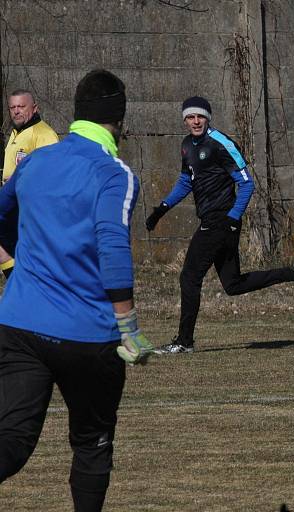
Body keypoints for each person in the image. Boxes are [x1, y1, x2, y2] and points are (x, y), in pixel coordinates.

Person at [0, 70, 152, 511]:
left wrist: (17, 260)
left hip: (19, 325)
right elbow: (112, 245)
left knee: (10, 439)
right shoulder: (115, 174)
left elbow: (2, 214)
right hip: (89, 335)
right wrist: (128, 326)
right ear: (119, 121)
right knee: (92, 443)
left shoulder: (36, 162)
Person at [145, 96, 294, 354]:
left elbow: (247, 182)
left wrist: (233, 216)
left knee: (190, 276)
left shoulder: (220, 143)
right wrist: (162, 209)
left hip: (221, 220)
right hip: (214, 221)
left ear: (208, 118)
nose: (196, 121)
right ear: (184, 120)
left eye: (200, 116)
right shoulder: (187, 145)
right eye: (191, 117)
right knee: (233, 284)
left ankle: (184, 342)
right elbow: (186, 181)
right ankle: (293, 273)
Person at [0, 89, 59, 278]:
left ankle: (21, 285)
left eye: (21, 106)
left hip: (30, 207)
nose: (16, 111)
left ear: (34, 108)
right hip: (13, 204)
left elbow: (52, 175)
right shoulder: (16, 133)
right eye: (12, 107)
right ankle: (19, 284)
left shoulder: (44, 135)